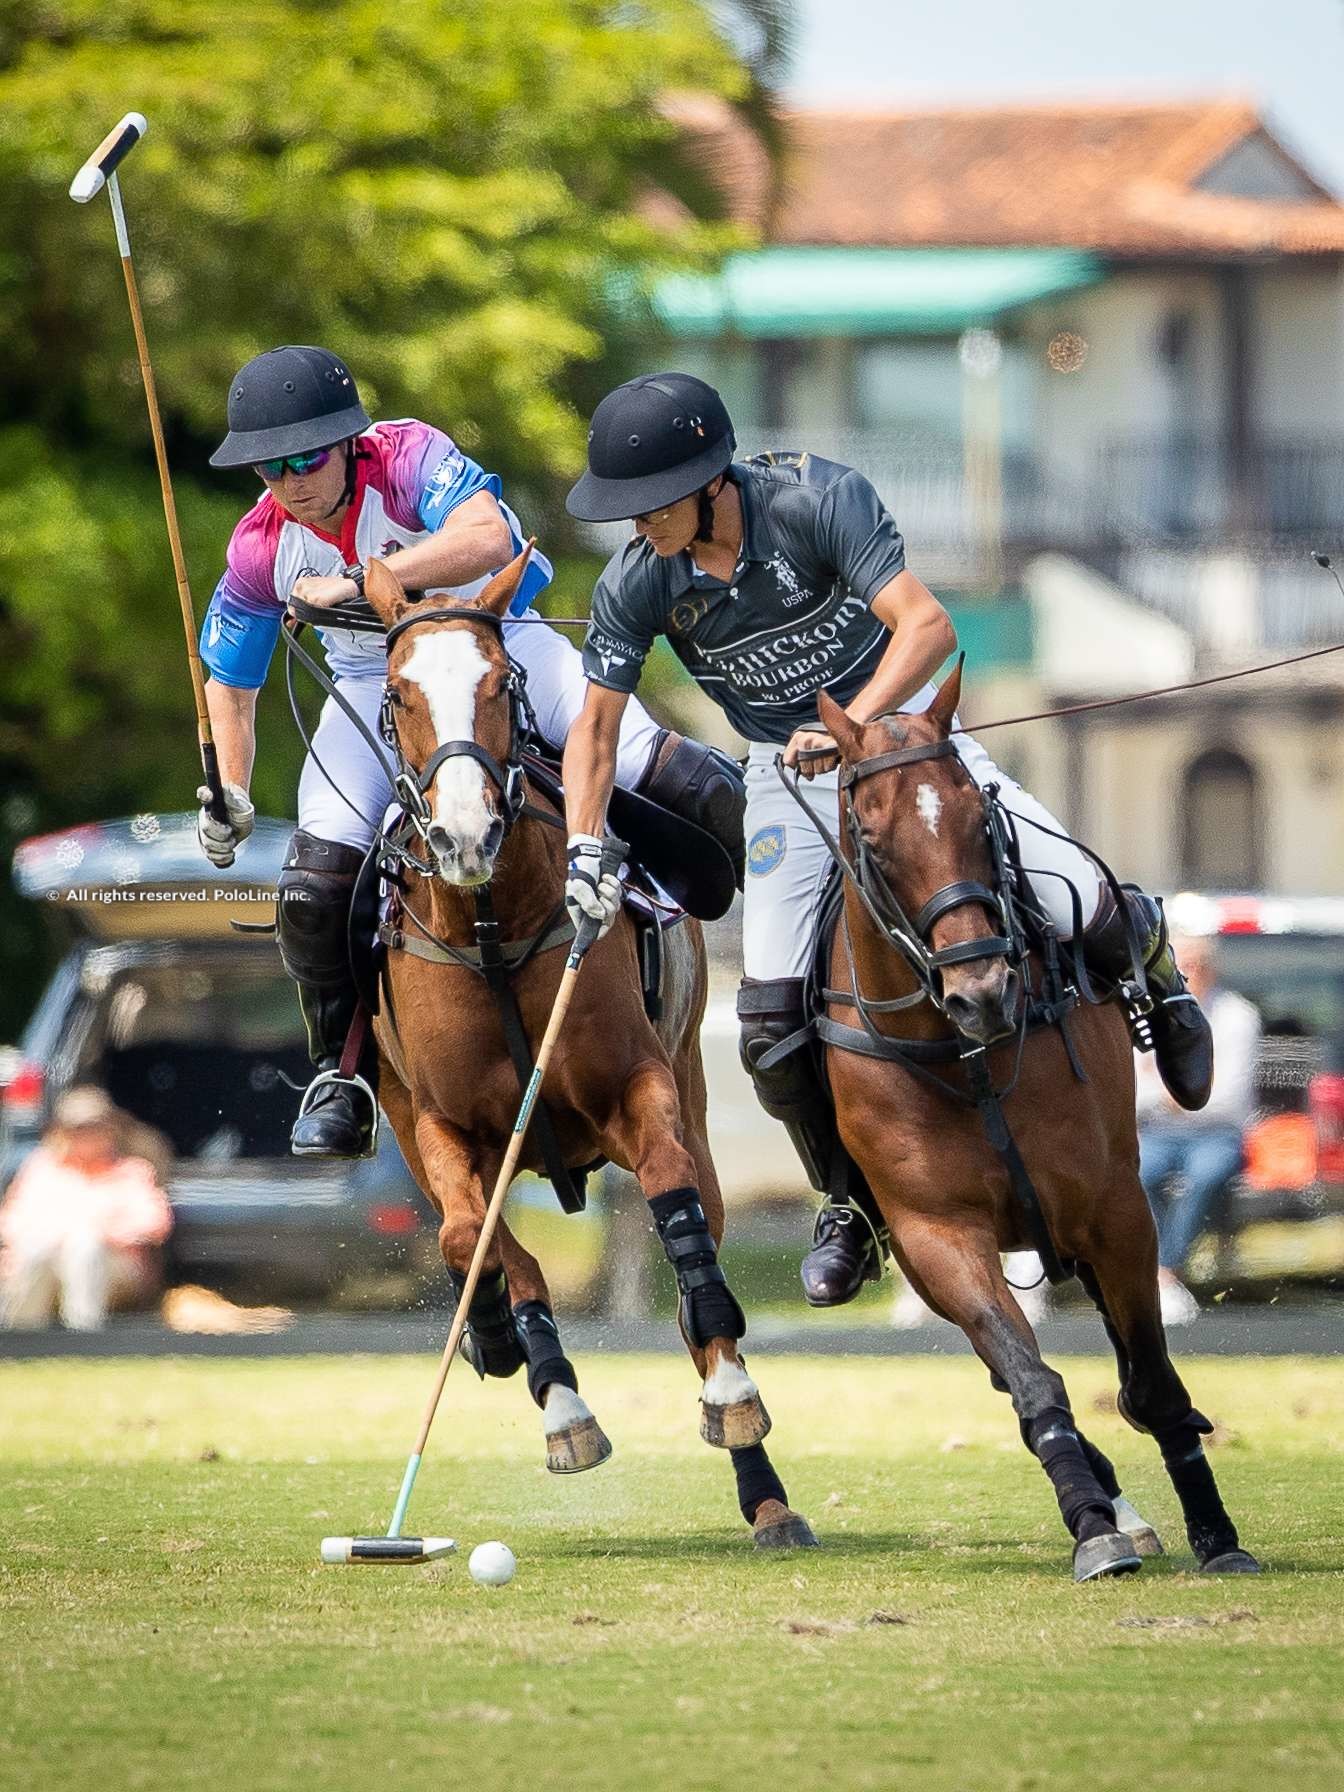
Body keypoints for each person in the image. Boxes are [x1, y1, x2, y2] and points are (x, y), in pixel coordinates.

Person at [559, 371, 1216, 1307]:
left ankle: (1154, 971)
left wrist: (855, 727)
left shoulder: (816, 500)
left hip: (905, 738)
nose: (633, 524)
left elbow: (926, 624)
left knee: (1077, 893)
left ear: (709, 482)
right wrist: (586, 847)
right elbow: (593, 728)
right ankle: (851, 1202)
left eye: (647, 504)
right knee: (771, 1026)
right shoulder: (640, 580)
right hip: (784, 776)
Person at [199, 346, 743, 1157]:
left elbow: (489, 536)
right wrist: (230, 787)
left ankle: (773, 975)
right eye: (270, 469)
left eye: (306, 458)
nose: (291, 483)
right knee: (313, 888)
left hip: (501, 647)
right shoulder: (258, 546)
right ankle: (338, 1071)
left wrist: (360, 581)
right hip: (374, 686)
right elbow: (230, 681)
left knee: (696, 784)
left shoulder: (409, 454)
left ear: (349, 441)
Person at [1137, 932, 1261, 1325]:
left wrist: (1165, 1094)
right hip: (1157, 1131)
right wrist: (1172, 1098)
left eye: (1196, 965)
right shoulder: (1145, 1014)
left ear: (1212, 969)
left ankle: (1165, 1273)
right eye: (1181, 964)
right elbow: (1131, 1091)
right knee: (1137, 1174)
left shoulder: (1238, 1016)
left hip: (1216, 1133)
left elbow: (1228, 1095)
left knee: (1203, 1176)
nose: (1188, 973)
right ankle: (1152, 1276)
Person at [0, 1087, 174, 1331]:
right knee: (39, 1248)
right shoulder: (41, 1169)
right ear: (61, 1131)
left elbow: (155, 1223)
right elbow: (11, 1222)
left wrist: (101, 1232)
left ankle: (83, 1339)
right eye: (77, 1129)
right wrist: (53, 1236)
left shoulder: (130, 1171)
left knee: (84, 1245)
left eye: (93, 1128)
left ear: (110, 1130)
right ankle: (20, 1342)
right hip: (43, 1261)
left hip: (111, 1268)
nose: (85, 1136)